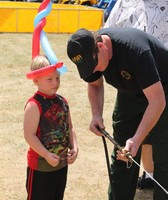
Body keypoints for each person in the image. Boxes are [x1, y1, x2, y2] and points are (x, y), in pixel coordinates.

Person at [67, 28, 168, 200]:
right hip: (129, 93)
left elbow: (157, 101)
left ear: (101, 46)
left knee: (164, 154)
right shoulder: (92, 53)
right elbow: (94, 84)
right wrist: (96, 114)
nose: (93, 70)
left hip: (162, 90)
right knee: (123, 153)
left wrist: (136, 140)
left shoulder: (136, 51)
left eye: (94, 65)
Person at [103, 0, 168, 190]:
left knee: (162, 142)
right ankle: (143, 177)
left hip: (163, 84)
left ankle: (155, 178)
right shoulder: (125, 2)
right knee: (126, 144)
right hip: (129, 85)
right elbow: (104, 37)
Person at [24, 55, 78, 200]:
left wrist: (74, 148)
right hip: (41, 166)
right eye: (49, 79)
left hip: (61, 165)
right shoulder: (34, 105)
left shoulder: (62, 101)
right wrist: (46, 155)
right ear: (36, 80)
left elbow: (70, 127)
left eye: (57, 78)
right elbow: (30, 135)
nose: (55, 82)